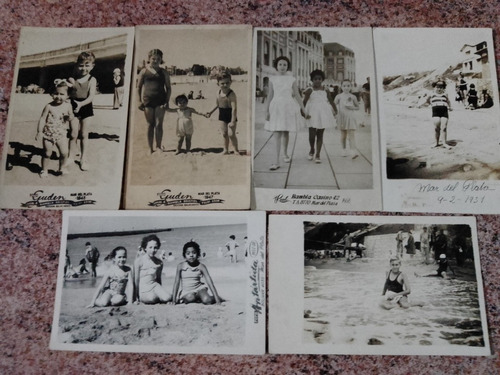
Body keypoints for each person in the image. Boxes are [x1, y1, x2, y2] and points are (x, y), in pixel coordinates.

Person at [264, 56, 308, 171]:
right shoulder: (272, 79)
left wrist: (303, 109)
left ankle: (285, 153)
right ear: (276, 66)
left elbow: (297, 95)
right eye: (280, 64)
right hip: (276, 106)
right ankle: (276, 161)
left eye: (285, 65)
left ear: (287, 66)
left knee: (285, 131)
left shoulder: (291, 79)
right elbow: (270, 95)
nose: (282, 67)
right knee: (277, 132)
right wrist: (267, 110)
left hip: (288, 106)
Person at [35, 79, 74, 177]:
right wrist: (39, 131)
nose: (58, 96)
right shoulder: (49, 106)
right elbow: (43, 118)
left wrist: (69, 117)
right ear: (52, 94)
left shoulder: (68, 106)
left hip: (61, 134)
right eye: (56, 93)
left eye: (62, 94)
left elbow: (72, 116)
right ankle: (44, 170)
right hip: (48, 134)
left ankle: (62, 168)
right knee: (47, 153)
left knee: (64, 153)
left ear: (68, 96)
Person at [137, 49, 171, 154]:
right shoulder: (143, 71)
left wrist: (167, 101)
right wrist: (139, 101)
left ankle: (159, 146)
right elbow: (138, 87)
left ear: (161, 60)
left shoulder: (163, 72)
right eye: (153, 59)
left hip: (160, 101)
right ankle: (150, 148)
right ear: (149, 59)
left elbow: (168, 88)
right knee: (149, 124)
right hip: (148, 101)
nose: (155, 61)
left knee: (159, 124)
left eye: (158, 59)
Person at [68, 51, 97, 171]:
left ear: (92, 66)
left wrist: (81, 104)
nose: (83, 68)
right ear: (76, 65)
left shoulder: (92, 79)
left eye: (87, 65)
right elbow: (67, 92)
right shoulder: (72, 79)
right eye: (81, 65)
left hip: (86, 106)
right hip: (73, 106)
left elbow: (91, 97)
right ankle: (70, 156)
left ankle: (83, 159)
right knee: (73, 134)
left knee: (84, 134)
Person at [170, 241, 222, 305]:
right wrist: (173, 300)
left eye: (194, 253)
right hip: (187, 292)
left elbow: (210, 283)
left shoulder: (201, 266)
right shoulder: (180, 266)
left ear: (198, 254)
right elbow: (176, 283)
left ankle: (217, 298)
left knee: (207, 300)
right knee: (190, 297)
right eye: (188, 253)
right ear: (184, 255)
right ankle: (199, 298)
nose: (191, 255)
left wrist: (217, 300)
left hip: (199, 289)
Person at [302, 69, 337, 164]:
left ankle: (318, 154)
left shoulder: (325, 90)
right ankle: (312, 149)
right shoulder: (309, 90)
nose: (317, 80)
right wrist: (303, 113)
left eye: (319, 79)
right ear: (312, 80)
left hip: (323, 113)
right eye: (315, 79)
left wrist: (335, 110)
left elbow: (330, 100)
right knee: (312, 135)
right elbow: (304, 102)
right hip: (312, 114)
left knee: (320, 134)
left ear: (322, 80)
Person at [206, 72, 240, 155]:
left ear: (231, 82)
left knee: (231, 134)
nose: (225, 85)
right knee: (224, 134)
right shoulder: (218, 93)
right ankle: (226, 149)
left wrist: (232, 121)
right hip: (222, 114)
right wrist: (210, 112)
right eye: (222, 83)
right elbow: (216, 104)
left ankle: (236, 150)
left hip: (231, 114)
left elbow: (234, 108)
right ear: (218, 84)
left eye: (227, 83)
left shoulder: (231, 94)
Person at [133, 234, 172, 304]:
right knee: (152, 298)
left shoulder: (159, 263)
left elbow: (159, 279)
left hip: (155, 286)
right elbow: (136, 280)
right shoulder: (139, 261)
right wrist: (135, 297)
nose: (153, 250)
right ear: (145, 248)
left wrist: (161, 292)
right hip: (143, 289)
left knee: (168, 298)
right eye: (150, 247)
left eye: (155, 247)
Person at [420, 79, 451, 148]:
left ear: (443, 88)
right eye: (437, 87)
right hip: (436, 111)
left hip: (444, 111)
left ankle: (444, 143)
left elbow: (448, 101)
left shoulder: (445, 94)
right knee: (436, 128)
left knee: (444, 128)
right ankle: (436, 142)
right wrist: (420, 105)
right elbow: (427, 102)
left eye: (441, 87)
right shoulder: (431, 94)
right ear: (434, 87)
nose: (439, 89)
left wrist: (450, 107)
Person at [334, 79, 360, 159]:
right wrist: (335, 114)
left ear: (351, 87)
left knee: (351, 134)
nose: (346, 88)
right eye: (344, 86)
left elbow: (358, 107)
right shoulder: (339, 96)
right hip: (342, 117)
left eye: (348, 86)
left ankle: (353, 151)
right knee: (343, 135)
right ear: (341, 87)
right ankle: (343, 149)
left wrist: (352, 107)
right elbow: (334, 105)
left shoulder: (353, 97)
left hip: (350, 117)